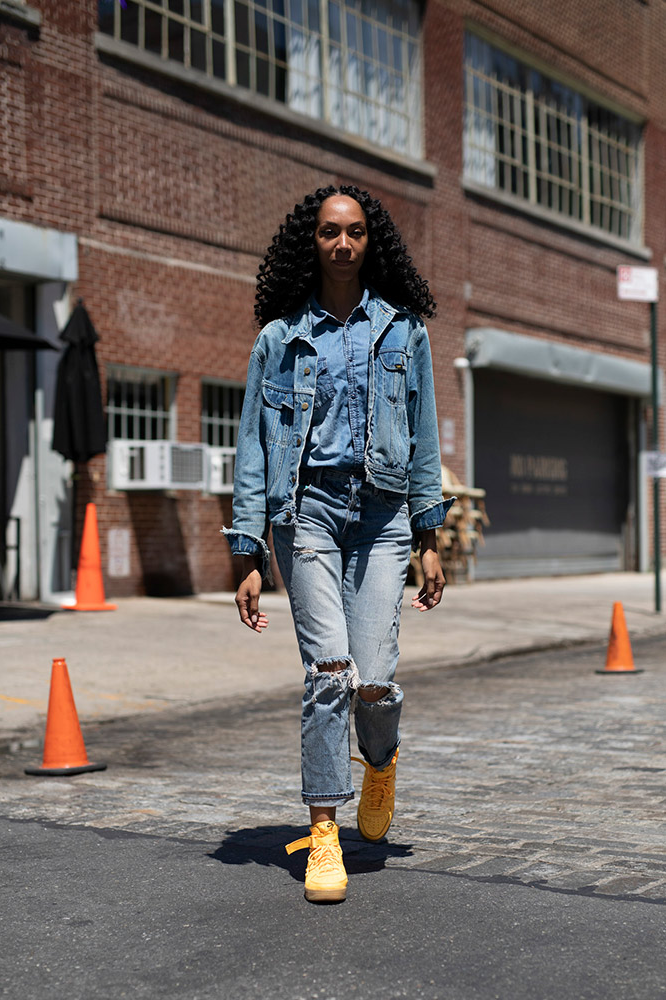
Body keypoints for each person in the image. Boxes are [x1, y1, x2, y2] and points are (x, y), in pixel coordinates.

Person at [223, 184, 454, 904]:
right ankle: (325, 833)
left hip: (384, 515)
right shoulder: (279, 336)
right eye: (330, 231)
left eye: (354, 231)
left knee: (374, 678)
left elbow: (423, 438)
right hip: (307, 514)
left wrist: (428, 534)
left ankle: (378, 763)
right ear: (311, 241)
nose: (343, 244)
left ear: (370, 240)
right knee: (328, 671)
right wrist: (248, 551)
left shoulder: (403, 331)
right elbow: (254, 448)